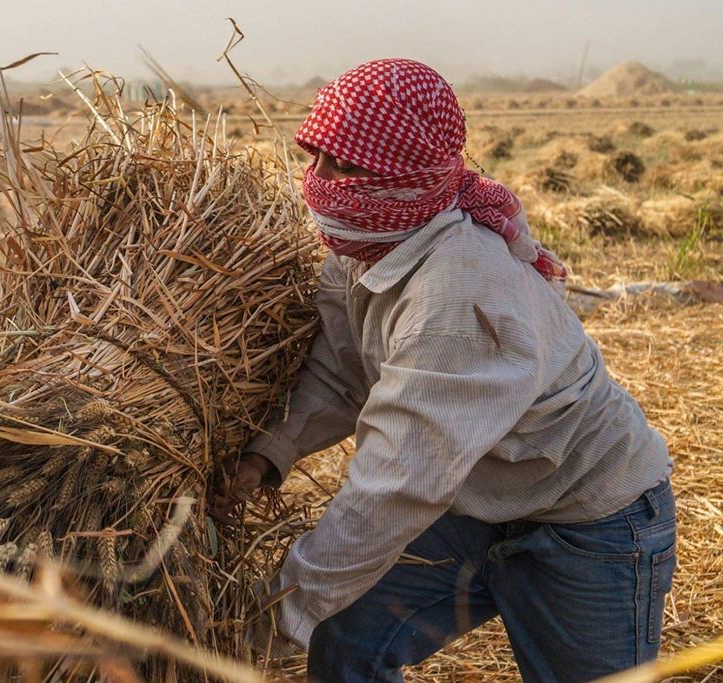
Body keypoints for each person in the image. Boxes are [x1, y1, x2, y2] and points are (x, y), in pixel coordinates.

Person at [211, 59, 676, 683]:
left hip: (586, 521)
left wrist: (269, 618)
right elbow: (343, 373)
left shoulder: (456, 295)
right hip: (473, 506)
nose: (320, 183)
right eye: (316, 157)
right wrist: (268, 455)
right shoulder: (366, 243)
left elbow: (398, 483)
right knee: (347, 644)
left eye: (346, 166)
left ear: (407, 177)